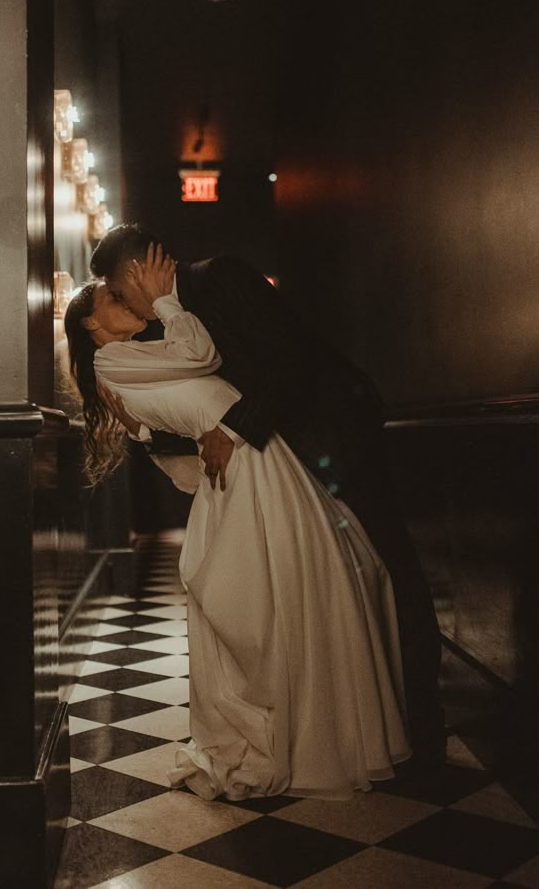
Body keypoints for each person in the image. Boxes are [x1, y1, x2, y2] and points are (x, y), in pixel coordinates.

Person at [89, 223, 445, 767]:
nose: (120, 302)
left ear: (136, 270)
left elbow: (288, 362)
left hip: (333, 433)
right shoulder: (169, 320)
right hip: (284, 453)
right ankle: (343, 722)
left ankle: (423, 733)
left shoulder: (220, 277)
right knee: (333, 582)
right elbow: (198, 401)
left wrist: (229, 432)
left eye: (117, 289)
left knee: (385, 566)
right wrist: (141, 427)